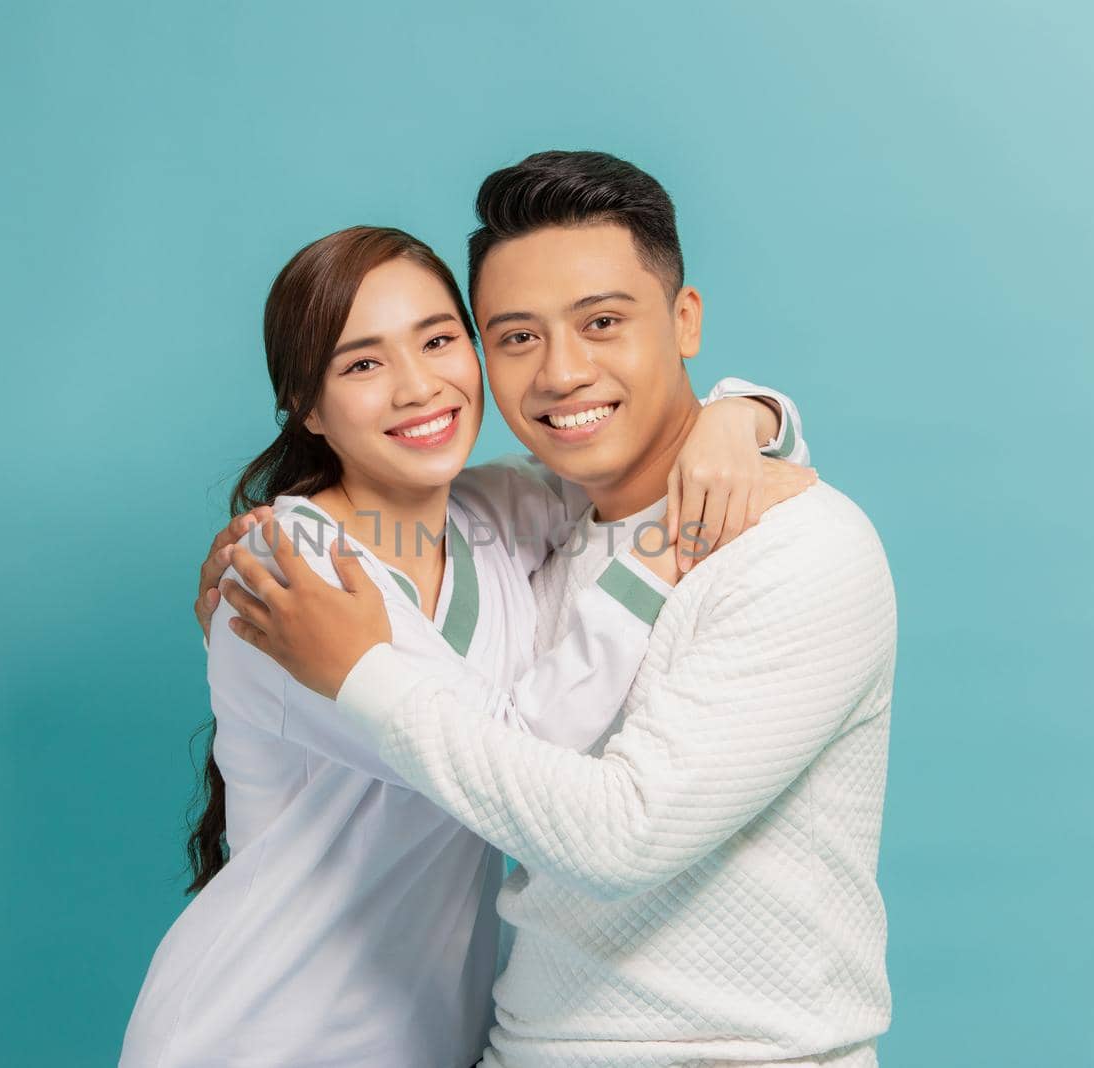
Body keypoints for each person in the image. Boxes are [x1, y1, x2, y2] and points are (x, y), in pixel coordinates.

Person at [207, 151, 898, 1067]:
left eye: (603, 321)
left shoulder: (799, 547)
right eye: (517, 338)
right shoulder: (538, 523)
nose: (562, 373)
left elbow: (620, 833)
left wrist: (753, 416)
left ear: (685, 322)